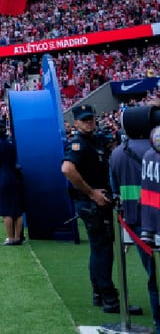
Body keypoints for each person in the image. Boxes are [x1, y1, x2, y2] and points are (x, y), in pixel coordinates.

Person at [63, 103, 131, 314]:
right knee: (103, 250)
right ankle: (109, 297)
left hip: (96, 201)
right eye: (84, 120)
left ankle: (100, 294)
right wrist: (91, 192)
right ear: (75, 123)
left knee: (98, 248)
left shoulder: (95, 140)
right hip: (92, 203)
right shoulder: (78, 143)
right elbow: (67, 169)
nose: (89, 122)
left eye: (90, 118)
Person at [109, 116, 160, 329]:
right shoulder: (151, 150)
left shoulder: (117, 152)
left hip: (134, 220)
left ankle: (158, 322)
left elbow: (114, 185)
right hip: (154, 217)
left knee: (153, 276)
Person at [0, 122, 24, 245]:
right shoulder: (11, 145)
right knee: (17, 210)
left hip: (2, 178)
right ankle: (18, 237)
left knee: (5, 211)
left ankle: (10, 238)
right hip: (14, 176)